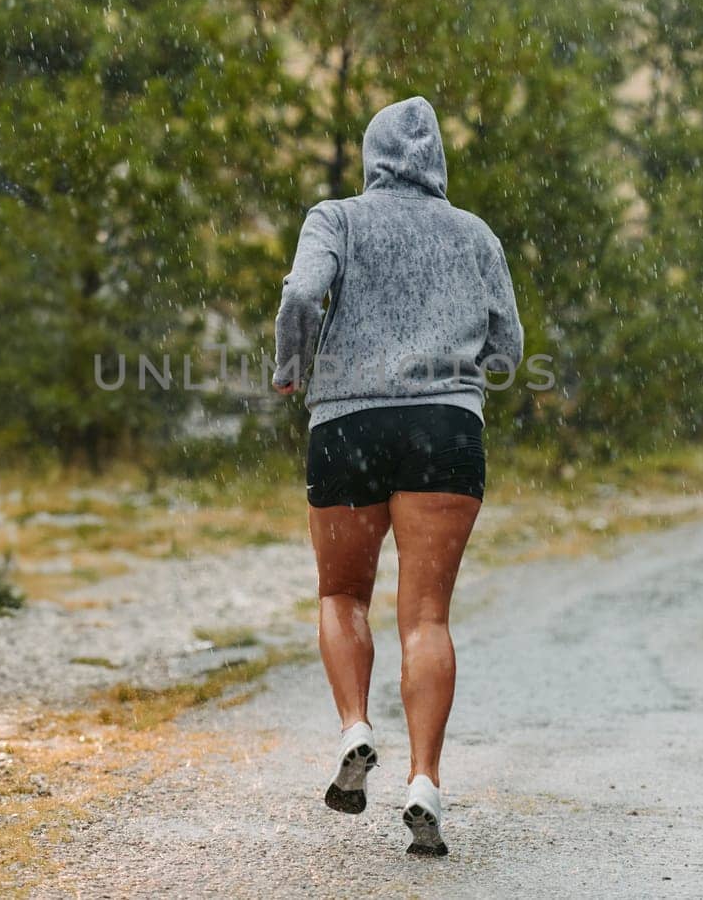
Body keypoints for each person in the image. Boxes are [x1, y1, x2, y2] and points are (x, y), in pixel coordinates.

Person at [272, 96, 524, 857]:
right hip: (444, 430)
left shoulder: (336, 218)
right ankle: (424, 783)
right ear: (437, 161)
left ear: (372, 154)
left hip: (347, 422)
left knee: (342, 593)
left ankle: (355, 729)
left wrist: (292, 367)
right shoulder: (476, 235)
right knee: (426, 618)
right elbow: (508, 348)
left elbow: (299, 294)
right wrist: (455, 372)